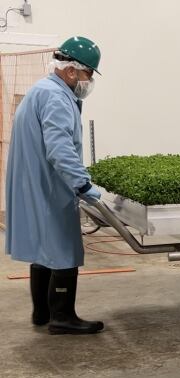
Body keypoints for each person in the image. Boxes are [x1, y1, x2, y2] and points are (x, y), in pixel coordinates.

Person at [4, 36, 105, 334]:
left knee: (44, 250)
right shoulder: (57, 98)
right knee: (62, 250)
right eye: (88, 74)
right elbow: (60, 150)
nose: (88, 82)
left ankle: (42, 312)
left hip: (35, 186)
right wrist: (83, 185)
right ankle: (63, 317)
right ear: (71, 71)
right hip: (50, 188)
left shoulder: (41, 90)